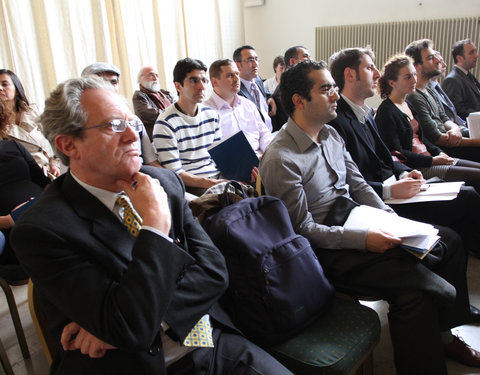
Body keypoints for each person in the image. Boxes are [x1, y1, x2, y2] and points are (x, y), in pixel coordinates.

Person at [10, 76, 292, 375]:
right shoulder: (42, 230)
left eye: (131, 123)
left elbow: (214, 272)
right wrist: (155, 227)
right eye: (113, 126)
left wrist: (137, 319)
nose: (133, 137)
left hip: (210, 343)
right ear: (69, 145)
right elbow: (129, 326)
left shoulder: (163, 182)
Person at [259, 59, 480, 375]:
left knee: (450, 241)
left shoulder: (331, 135)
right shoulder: (281, 157)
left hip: (358, 219)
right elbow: (303, 230)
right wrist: (365, 239)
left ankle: (444, 336)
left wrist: (389, 216)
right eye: (326, 89)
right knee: (415, 292)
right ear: (299, 100)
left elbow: (358, 184)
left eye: (334, 87)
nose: (335, 95)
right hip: (327, 250)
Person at [328, 47, 480, 261]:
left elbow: (387, 155)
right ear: (350, 75)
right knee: (465, 204)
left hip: (398, 186)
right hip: (379, 200)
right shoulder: (336, 120)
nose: (377, 74)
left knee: (467, 195)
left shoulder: (365, 112)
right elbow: (349, 181)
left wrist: (405, 173)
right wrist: (390, 189)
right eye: (370, 67)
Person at [376, 54, 480, 190]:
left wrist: (439, 152)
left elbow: (423, 139)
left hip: (431, 159)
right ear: (392, 83)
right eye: (408, 77)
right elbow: (397, 152)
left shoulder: (408, 104)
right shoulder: (386, 112)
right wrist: (433, 160)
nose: (414, 80)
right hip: (418, 167)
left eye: (414, 74)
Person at [153, 58, 227, 195]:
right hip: (192, 185)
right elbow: (175, 173)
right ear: (178, 86)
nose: (202, 86)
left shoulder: (212, 115)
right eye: (194, 80)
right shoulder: (166, 123)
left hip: (217, 178)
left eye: (204, 80)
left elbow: (220, 158)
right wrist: (211, 183)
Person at [404, 39, 480, 163]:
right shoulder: (414, 96)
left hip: (453, 138)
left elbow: (444, 117)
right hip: (445, 149)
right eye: (430, 58)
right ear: (416, 66)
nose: (437, 60)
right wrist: (477, 142)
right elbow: (436, 138)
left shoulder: (429, 89)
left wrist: (455, 129)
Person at [82, 62, 161, 168]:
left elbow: (151, 161)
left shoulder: (135, 121)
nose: (108, 87)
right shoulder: (79, 125)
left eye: (113, 82)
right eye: (100, 82)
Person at [0, 99, 50, 265]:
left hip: (43, 211)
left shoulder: (13, 146)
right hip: (11, 227)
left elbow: (44, 183)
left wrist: (43, 202)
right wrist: (8, 220)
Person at [0, 69, 61, 179]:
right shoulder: (1, 125)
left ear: (17, 90)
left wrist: (55, 163)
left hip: (55, 169)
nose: (0, 88)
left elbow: (54, 136)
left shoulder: (33, 111)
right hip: (27, 176)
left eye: (5, 84)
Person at [205, 59, 272, 155]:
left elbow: (264, 133)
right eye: (230, 75)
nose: (237, 79)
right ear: (215, 82)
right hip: (234, 166)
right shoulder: (206, 112)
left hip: (262, 158)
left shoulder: (247, 104)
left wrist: (268, 153)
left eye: (237, 74)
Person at [234, 45, 276, 131]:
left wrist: (270, 97)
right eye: (250, 60)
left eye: (256, 59)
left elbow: (264, 91)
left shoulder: (257, 79)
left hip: (270, 132)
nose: (255, 64)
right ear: (238, 65)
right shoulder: (236, 91)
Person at [271, 46, 312, 132]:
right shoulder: (287, 86)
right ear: (292, 61)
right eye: (305, 56)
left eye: (309, 56)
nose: (310, 60)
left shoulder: (301, 81)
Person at [428, 52, 469, 132]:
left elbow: (453, 115)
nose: (445, 65)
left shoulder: (437, 86)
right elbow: (442, 121)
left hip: (459, 127)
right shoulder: (427, 90)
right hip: (450, 132)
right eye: (440, 62)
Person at [442, 38, 480, 120]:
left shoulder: (468, 75)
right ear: (459, 58)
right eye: (471, 52)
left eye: (475, 51)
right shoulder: (452, 80)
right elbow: (457, 111)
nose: (476, 55)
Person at [132, 66, 173, 141]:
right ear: (141, 78)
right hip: (155, 138)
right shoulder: (139, 96)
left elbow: (180, 110)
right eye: (151, 75)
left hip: (174, 133)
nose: (155, 78)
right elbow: (151, 115)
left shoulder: (166, 94)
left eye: (157, 75)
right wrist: (173, 113)